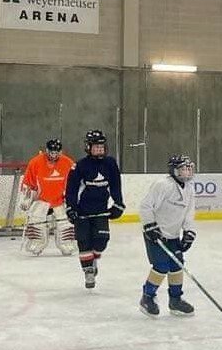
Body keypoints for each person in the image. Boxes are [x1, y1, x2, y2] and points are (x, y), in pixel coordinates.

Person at [138, 155, 197, 317]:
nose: (186, 172)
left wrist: (189, 232)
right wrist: (150, 226)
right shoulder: (162, 185)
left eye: (188, 168)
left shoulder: (190, 189)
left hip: (173, 235)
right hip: (155, 234)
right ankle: (147, 297)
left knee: (177, 265)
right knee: (161, 266)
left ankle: (175, 301)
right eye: (183, 169)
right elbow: (146, 206)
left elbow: (189, 214)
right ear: (174, 170)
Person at [65, 130, 125, 289]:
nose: (100, 150)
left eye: (102, 147)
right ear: (88, 147)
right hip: (82, 212)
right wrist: (71, 208)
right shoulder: (79, 166)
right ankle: (88, 271)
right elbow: (71, 189)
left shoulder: (110, 163)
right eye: (96, 147)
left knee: (101, 241)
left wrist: (118, 203)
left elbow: (115, 186)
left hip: (101, 211)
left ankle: (94, 259)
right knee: (84, 242)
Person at [20, 138, 77, 256]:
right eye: (51, 152)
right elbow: (28, 184)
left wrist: (73, 200)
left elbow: (76, 183)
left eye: (56, 152)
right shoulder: (35, 162)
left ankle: (66, 243)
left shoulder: (68, 163)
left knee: (65, 222)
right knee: (36, 219)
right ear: (47, 150)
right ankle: (36, 242)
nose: (54, 155)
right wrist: (26, 199)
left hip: (60, 200)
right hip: (42, 199)